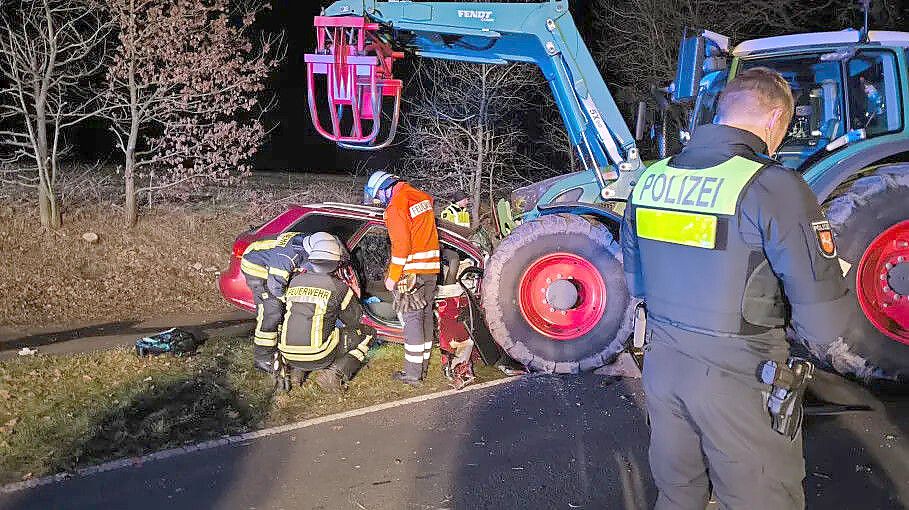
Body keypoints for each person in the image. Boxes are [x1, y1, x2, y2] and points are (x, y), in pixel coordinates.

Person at [621, 67, 853, 509]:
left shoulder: (651, 180)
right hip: (741, 380)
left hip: (663, 369)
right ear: (773, 122)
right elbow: (823, 325)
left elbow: (637, 281)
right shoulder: (773, 186)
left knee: (678, 496)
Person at [365, 170, 441, 386]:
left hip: (410, 273)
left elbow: (402, 245)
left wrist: (393, 276)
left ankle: (412, 374)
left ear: (383, 189)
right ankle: (422, 367)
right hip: (430, 269)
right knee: (425, 317)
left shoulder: (397, 205)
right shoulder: (420, 197)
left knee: (412, 320)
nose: (379, 202)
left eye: (378, 197)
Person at [279, 232, 374, 392]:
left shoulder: (294, 281)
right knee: (367, 334)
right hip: (319, 355)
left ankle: (297, 373)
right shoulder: (339, 287)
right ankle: (335, 373)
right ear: (336, 262)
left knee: (306, 331)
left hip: (287, 353)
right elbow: (354, 319)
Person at [240, 231, 309, 373]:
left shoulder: (307, 245)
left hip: (270, 262)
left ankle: (276, 346)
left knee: (276, 310)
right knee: (272, 311)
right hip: (257, 268)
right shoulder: (287, 257)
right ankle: (263, 357)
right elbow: (275, 286)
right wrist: (287, 298)